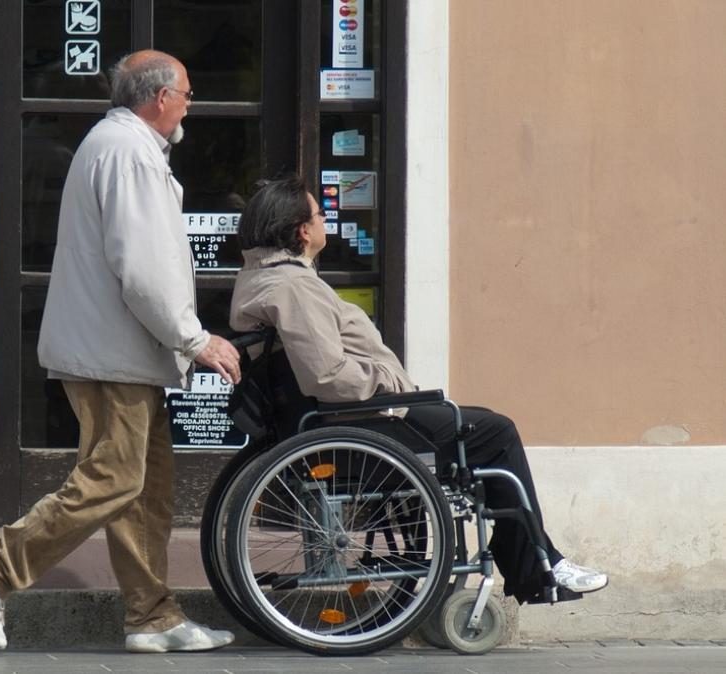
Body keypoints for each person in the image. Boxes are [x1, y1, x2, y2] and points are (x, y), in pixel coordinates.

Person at [0, 50, 242, 653]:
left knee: (146, 489)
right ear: (159, 97)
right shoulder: (129, 152)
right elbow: (143, 269)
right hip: (113, 353)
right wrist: (195, 337)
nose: (191, 105)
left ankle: (152, 617)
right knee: (114, 479)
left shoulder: (121, 147)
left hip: (122, 352)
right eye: (187, 94)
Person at [228, 176, 608, 604]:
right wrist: (390, 384)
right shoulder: (294, 287)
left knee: (479, 426)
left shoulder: (264, 279)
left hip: (347, 420)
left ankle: (532, 554)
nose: (324, 220)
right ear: (301, 230)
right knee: (495, 432)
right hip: (360, 422)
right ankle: (537, 560)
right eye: (319, 213)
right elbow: (327, 377)